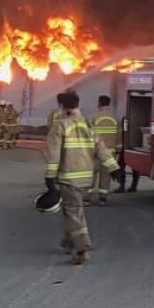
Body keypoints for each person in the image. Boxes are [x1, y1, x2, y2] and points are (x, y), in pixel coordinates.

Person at [44, 91, 121, 265]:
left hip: (68, 177)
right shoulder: (86, 124)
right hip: (86, 177)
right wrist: (114, 167)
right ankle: (68, 240)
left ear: (62, 106)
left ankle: (82, 250)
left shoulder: (60, 126)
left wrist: (49, 177)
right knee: (72, 209)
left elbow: (53, 154)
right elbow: (100, 148)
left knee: (74, 212)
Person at [89, 95, 120, 204]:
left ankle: (87, 198)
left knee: (91, 174)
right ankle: (103, 198)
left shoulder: (95, 116)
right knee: (106, 176)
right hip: (110, 153)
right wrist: (118, 150)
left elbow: (89, 134)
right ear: (109, 103)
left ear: (99, 103)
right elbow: (119, 136)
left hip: (95, 152)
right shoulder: (114, 118)